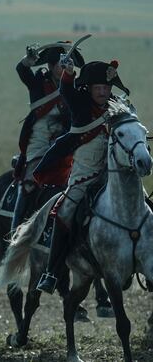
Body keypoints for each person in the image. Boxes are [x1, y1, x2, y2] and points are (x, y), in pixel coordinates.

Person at [34, 59, 129, 293]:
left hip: (113, 178)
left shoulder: (119, 106)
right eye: (98, 88)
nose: (103, 92)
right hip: (83, 178)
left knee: (145, 206)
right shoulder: (80, 104)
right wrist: (68, 73)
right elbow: (66, 89)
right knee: (63, 212)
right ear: (88, 88)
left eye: (106, 88)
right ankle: (51, 272)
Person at [11, 44, 84, 232]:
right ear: (51, 66)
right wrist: (28, 61)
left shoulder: (76, 88)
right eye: (61, 63)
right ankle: (15, 232)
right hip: (40, 144)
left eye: (69, 63)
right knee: (28, 185)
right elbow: (22, 70)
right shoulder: (38, 84)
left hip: (68, 147)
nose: (66, 66)